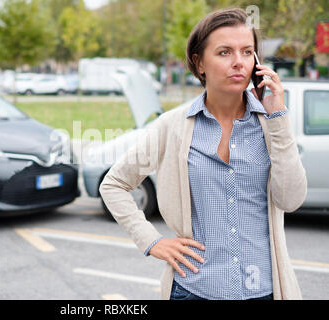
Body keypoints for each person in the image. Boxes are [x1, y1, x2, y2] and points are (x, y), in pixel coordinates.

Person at [99, 8, 307, 300]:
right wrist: (151, 241)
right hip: (194, 290)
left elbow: (291, 199)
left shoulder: (271, 123)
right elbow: (114, 184)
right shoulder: (172, 126)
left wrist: (278, 118)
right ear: (199, 64)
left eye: (247, 52)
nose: (238, 62)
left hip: (263, 291)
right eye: (224, 52)